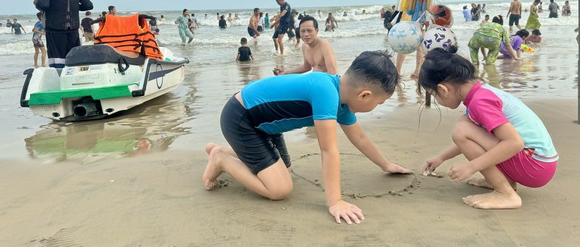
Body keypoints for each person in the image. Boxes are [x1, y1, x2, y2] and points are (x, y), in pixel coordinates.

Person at [203, 50, 411, 224]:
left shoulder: (343, 101)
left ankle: (222, 150)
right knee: (279, 188)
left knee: (285, 169)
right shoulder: (326, 91)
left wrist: (385, 165)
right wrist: (335, 201)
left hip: (265, 128)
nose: (376, 108)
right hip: (241, 118)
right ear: (364, 95)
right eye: (379, 103)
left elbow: (360, 138)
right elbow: (328, 150)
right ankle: (221, 160)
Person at [419, 46, 558, 210]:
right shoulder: (480, 94)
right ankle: (505, 182)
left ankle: (505, 193)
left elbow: (514, 143)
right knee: (465, 125)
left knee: (461, 130)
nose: (437, 100)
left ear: (443, 89)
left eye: (434, 95)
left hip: (535, 166)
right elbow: (478, 138)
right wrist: (441, 157)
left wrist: (471, 167)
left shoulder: (480, 102)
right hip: (540, 162)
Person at [33, 0, 93, 68]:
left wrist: (37, 3)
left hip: (55, 30)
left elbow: (44, 5)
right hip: (73, 31)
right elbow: (88, 5)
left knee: (58, 62)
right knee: (74, 60)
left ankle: (60, 81)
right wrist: (72, 7)